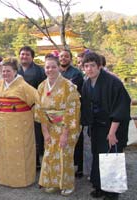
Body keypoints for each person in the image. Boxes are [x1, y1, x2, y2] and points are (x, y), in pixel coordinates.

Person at [81, 52, 131, 200]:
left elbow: (120, 107)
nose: (89, 69)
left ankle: (112, 192)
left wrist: (112, 133)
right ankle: (100, 187)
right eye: (86, 66)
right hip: (96, 126)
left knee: (110, 157)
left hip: (112, 126)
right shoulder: (86, 83)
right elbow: (85, 106)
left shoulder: (113, 82)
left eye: (92, 66)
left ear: (99, 66)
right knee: (97, 156)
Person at [36, 55, 80, 196]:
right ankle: (53, 182)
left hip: (66, 126)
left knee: (64, 154)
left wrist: (65, 134)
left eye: (53, 66)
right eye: (47, 67)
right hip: (49, 126)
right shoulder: (42, 86)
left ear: (59, 67)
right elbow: (39, 110)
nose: (50, 69)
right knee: (50, 154)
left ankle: (67, 184)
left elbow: (72, 110)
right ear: (44, 69)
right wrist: (45, 132)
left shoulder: (69, 86)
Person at [0, 57, 38, 188]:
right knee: (6, 151)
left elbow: (36, 100)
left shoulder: (23, 85)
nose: (5, 74)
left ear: (15, 71)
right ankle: (6, 178)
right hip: (4, 122)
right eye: (3, 71)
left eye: (8, 71)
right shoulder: (1, 84)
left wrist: (33, 115)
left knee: (21, 151)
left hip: (20, 123)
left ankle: (22, 180)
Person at [18, 46, 46, 169]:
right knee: (20, 135)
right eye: (22, 54)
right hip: (18, 108)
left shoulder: (40, 71)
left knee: (35, 135)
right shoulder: (15, 70)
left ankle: (36, 161)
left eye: (27, 54)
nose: (24, 56)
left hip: (34, 107)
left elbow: (43, 89)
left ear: (32, 57)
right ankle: (22, 160)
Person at [59, 49, 84, 178]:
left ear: (70, 58)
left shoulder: (76, 73)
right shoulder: (56, 71)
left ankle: (79, 166)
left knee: (76, 138)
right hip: (58, 110)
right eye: (61, 56)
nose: (63, 58)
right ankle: (61, 164)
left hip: (72, 110)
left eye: (66, 56)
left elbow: (70, 90)